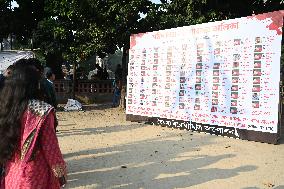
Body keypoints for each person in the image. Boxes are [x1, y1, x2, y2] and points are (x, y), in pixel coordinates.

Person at [0, 59, 67, 188]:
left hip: (11, 171)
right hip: (35, 172)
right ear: (34, 85)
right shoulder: (42, 110)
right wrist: (60, 175)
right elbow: (50, 148)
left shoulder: (6, 107)